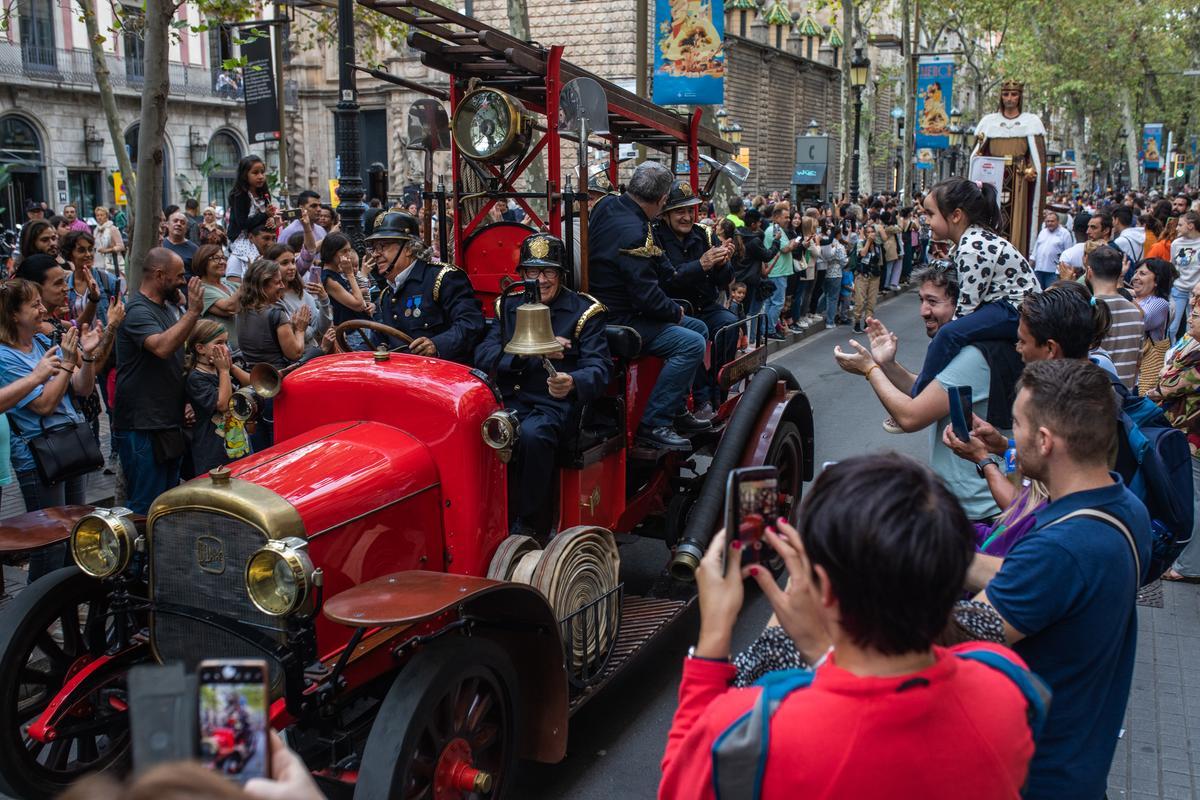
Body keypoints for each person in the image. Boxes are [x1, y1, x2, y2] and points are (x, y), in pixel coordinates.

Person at [660, 454, 1040, 800]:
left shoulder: (759, 729)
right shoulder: (1005, 679)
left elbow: (682, 780)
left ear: (823, 589)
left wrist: (714, 634)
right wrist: (817, 649)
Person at [972, 358, 1151, 800]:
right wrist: (947, 554)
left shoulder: (1060, 548)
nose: (1011, 436)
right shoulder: (1124, 506)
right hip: (1080, 766)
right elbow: (1042, 584)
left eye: (1017, 424)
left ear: (1046, 441)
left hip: (1033, 778)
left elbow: (959, 634)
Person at [834, 264, 1021, 522]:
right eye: (921, 300)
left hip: (977, 512)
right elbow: (927, 394)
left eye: (933, 302)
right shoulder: (971, 348)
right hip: (971, 507)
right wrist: (887, 364)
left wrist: (870, 370)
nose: (923, 311)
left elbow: (911, 417)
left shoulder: (974, 356)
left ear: (964, 302)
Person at [474, 234, 610, 538]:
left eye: (548, 272)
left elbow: (600, 369)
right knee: (476, 430)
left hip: (553, 405)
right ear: (522, 275)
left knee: (533, 437)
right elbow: (483, 355)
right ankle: (484, 515)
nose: (540, 280)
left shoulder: (584, 312)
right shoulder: (507, 306)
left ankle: (532, 527)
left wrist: (573, 381)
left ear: (561, 274)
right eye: (532, 272)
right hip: (507, 400)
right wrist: (525, 351)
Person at [587, 161, 711, 450]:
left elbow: (654, 270)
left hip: (609, 308)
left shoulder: (610, 207)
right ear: (663, 199)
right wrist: (673, 310)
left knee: (699, 327)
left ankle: (676, 408)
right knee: (691, 343)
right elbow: (646, 296)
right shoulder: (635, 230)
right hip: (621, 319)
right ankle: (654, 423)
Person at [910, 178, 1040, 395]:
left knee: (948, 334)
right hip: (1009, 308)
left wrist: (944, 340)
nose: (926, 220)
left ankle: (918, 396)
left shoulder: (972, 248)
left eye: (931, 214)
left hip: (1014, 310)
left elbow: (966, 308)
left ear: (956, 215)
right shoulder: (971, 240)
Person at [114, 249, 205, 514]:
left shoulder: (165, 308)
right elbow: (162, 347)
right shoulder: (136, 311)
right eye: (177, 277)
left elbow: (175, 360)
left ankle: (161, 556)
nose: (181, 281)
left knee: (166, 505)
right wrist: (193, 312)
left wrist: (186, 401)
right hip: (142, 425)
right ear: (159, 275)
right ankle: (139, 557)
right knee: (145, 507)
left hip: (167, 422)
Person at [655, 181, 736, 410]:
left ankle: (717, 388)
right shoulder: (655, 238)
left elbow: (724, 281)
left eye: (691, 210)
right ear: (666, 214)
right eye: (680, 211)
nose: (687, 217)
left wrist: (722, 263)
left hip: (704, 306)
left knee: (729, 324)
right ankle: (701, 398)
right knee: (693, 336)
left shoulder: (704, 235)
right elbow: (668, 278)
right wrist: (701, 264)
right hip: (674, 310)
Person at [362, 212, 484, 363]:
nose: (375, 254)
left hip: (442, 376)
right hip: (401, 376)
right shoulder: (387, 294)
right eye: (373, 248)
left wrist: (436, 345)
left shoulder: (443, 278)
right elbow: (378, 339)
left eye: (383, 246)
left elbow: (471, 324)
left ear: (408, 249)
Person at [1150, 299, 1200, 583]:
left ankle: (1189, 566)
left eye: (1198, 309)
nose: (1191, 312)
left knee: (1194, 497)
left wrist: (1163, 381)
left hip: (1194, 437)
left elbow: (1167, 383)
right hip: (1185, 434)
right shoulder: (1190, 344)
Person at [236, 259, 309, 450]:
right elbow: (295, 352)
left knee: (260, 450)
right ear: (263, 284)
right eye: (277, 282)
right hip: (276, 389)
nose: (282, 286)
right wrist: (300, 329)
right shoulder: (276, 314)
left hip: (253, 390)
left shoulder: (241, 310)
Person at [184, 320, 254, 476]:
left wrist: (230, 367)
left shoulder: (222, 368)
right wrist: (223, 371)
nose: (226, 347)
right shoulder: (196, 378)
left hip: (239, 445)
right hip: (213, 453)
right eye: (219, 343)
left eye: (226, 342)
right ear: (200, 348)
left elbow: (251, 383)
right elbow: (222, 405)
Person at [1086, 247, 1142, 389]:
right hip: (1124, 395)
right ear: (1119, 274)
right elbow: (1138, 362)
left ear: (1089, 272)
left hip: (1093, 395)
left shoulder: (1087, 309)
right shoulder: (1135, 312)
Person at [269, 243, 330, 354]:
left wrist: (324, 299)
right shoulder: (272, 298)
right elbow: (292, 334)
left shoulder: (302, 293)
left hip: (312, 354)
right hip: (295, 359)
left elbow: (321, 330)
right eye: (284, 263)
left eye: (293, 262)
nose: (292, 267)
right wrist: (305, 328)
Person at [226, 155, 277, 283]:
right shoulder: (240, 195)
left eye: (262, 172)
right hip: (242, 238)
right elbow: (242, 223)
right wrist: (265, 215)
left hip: (260, 235)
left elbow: (264, 218)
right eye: (255, 173)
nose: (260, 176)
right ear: (245, 175)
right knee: (255, 264)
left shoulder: (263, 193)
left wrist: (270, 220)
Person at [1132, 257, 1175, 394]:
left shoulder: (1160, 303)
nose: (1135, 278)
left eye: (1142, 274)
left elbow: (1141, 320)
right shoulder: (1133, 297)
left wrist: (1121, 294)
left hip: (1143, 371)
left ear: (1156, 281)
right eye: (1136, 272)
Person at [195, 245, 241, 352]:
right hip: (216, 351)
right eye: (216, 258)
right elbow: (230, 307)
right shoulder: (201, 289)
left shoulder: (228, 284)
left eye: (223, 258)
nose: (222, 262)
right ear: (203, 262)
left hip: (239, 350)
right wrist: (248, 280)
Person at [1170, 210, 1200, 338]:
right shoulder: (1176, 243)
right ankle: (1170, 353)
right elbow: (1172, 265)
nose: (1177, 228)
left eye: (1180, 225)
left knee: (1192, 329)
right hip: (1178, 289)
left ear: (1190, 226)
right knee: (1172, 328)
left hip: (1196, 293)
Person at [1031, 208, 1074, 290]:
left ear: (1058, 221)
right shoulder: (1043, 232)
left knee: (1051, 295)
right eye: (1048, 221)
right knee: (1038, 293)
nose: (1050, 223)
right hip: (1039, 270)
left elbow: (1069, 254)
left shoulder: (1065, 233)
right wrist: (1031, 266)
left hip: (1054, 272)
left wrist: (1064, 272)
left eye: (1052, 221)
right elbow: (1036, 250)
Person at [226, 221, 276, 285]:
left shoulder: (271, 257)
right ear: (251, 237)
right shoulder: (237, 259)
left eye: (274, 239)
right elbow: (234, 290)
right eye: (266, 238)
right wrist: (252, 273)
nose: (271, 243)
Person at [162, 210, 201, 277]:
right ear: (167, 225)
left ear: (186, 229)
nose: (179, 224)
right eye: (175, 221)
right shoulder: (160, 244)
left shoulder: (194, 249)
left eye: (182, 223)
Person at [93, 205, 124, 274]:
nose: (99, 217)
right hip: (98, 263)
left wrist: (107, 250)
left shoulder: (112, 229)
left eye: (101, 215)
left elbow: (121, 246)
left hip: (112, 263)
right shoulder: (96, 230)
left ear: (106, 216)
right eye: (97, 215)